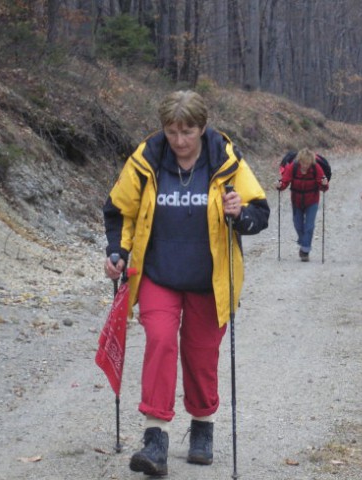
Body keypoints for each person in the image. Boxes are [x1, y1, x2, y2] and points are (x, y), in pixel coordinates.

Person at [102, 90, 269, 476]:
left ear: (203, 127)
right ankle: (155, 439)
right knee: (160, 342)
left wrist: (238, 213)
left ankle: (202, 428)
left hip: (209, 281)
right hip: (158, 275)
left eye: (188, 131)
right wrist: (118, 252)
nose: (179, 140)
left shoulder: (224, 160)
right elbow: (118, 209)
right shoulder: (147, 159)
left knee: (201, 355)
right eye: (172, 131)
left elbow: (259, 212)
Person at [276, 148, 329, 261]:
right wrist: (279, 185)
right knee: (298, 225)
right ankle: (303, 241)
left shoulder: (316, 168)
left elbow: (322, 185)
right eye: (303, 163)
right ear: (299, 161)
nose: (305, 165)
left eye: (307, 163)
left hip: (312, 201)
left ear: (311, 162)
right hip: (297, 201)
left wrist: (324, 184)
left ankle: (305, 251)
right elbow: (285, 181)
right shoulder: (293, 167)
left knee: (309, 226)